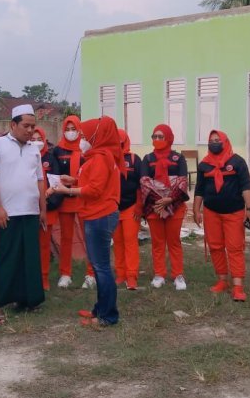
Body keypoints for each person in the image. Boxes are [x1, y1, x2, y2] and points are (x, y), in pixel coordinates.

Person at [53, 116, 123, 326]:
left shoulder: (102, 157)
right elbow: (93, 181)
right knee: (98, 264)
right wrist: (73, 179)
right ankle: (100, 309)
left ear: (96, 136)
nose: (81, 138)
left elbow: (95, 190)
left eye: (84, 135)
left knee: (101, 267)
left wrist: (68, 190)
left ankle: (108, 316)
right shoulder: (97, 156)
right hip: (96, 213)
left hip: (100, 215)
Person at [0, 104, 47, 325]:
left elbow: (40, 180)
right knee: (4, 258)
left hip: (30, 211)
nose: (30, 131)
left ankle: (28, 299)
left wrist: (43, 209)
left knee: (29, 258)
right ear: (13, 124)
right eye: (26, 126)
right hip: (7, 212)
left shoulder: (34, 149)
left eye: (33, 126)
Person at [194, 130, 250, 301]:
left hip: (234, 212)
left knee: (235, 247)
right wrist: (196, 209)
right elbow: (199, 189)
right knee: (215, 246)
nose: (214, 143)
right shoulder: (204, 165)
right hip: (211, 212)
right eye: (211, 140)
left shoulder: (237, 162)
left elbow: (246, 186)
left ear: (225, 141)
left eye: (217, 140)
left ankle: (237, 286)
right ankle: (222, 280)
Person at [140, 124, 190, 290]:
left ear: (169, 138)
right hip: (154, 207)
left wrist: (170, 199)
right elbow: (145, 183)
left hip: (175, 206)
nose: (157, 139)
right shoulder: (147, 159)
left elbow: (182, 182)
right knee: (157, 242)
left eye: (161, 136)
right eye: (154, 136)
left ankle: (178, 275)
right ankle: (159, 274)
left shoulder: (178, 158)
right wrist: (161, 201)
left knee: (174, 241)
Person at [53, 115, 93, 289]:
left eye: (73, 129)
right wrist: (62, 180)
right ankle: (65, 273)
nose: (70, 132)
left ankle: (91, 273)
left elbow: (92, 174)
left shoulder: (86, 149)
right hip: (65, 201)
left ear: (79, 129)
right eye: (67, 129)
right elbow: (53, 174)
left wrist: (75, 180)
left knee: (88, 237)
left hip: (83, 198)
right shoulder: (57, 150)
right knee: (66, 237)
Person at [31, 127, 63, 291]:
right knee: (30, 246)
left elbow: (56, 182)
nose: (36, 142)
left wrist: (48, 201)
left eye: (39, 138)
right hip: (28, 209)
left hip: (47, 209)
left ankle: (44, 279)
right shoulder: (25, 157)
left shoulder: (51, 158)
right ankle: (30, 277)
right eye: (33, 138)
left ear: (44, 140)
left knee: (44, 246)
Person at [113, 129, 142, 290]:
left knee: (130, 241)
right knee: (117, 242)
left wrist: (139, 206)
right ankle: (121, 274)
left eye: (120, 141)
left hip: (131, 207)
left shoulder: (134, 159)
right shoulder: (109, 159)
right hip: (113, 208)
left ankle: (132, 276)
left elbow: (140, 184)